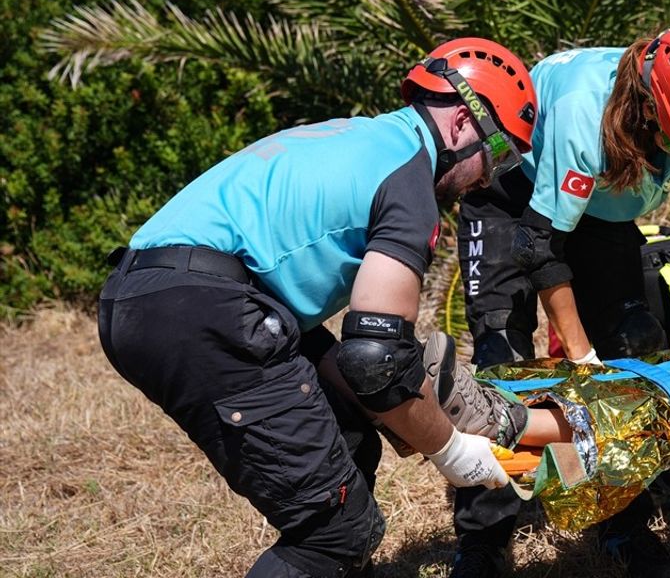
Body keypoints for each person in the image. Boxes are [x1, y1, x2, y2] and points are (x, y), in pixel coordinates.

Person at [97, 38, 553, 578]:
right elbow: (374, 360)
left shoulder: (364, 136)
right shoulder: (409, 181)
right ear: (459, 123)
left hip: (150, 291)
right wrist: (452, 450)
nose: (488, 178)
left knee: (348, 435)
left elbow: (361, 371)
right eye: (498, 155)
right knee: (335, 530)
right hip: (204, 307)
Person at [449, 25, 670, 577]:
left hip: (598, 211)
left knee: (631, 344)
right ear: (647, 110)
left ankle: (620, 525)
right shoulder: (583, 114)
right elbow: (540, 247)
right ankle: (484, 538)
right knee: (502, 358)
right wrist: (581, 361)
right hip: (512, 196)